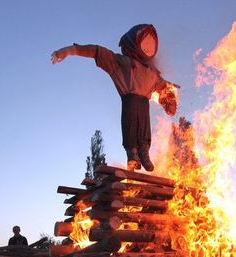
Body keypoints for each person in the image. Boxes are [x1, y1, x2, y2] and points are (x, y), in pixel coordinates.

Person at [51, 24, 179, 172]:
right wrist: (68, 51)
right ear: (134, 43)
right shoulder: (123, 63)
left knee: (144, 127)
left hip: (144, 103)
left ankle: (144, 152)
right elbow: (96, 51)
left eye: (151, 45)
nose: (149, 48)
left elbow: (163, 87)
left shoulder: (152, 72)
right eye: (146, 44)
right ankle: (132, 154)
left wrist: (169, 102)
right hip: (130, 99)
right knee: (130, 123)